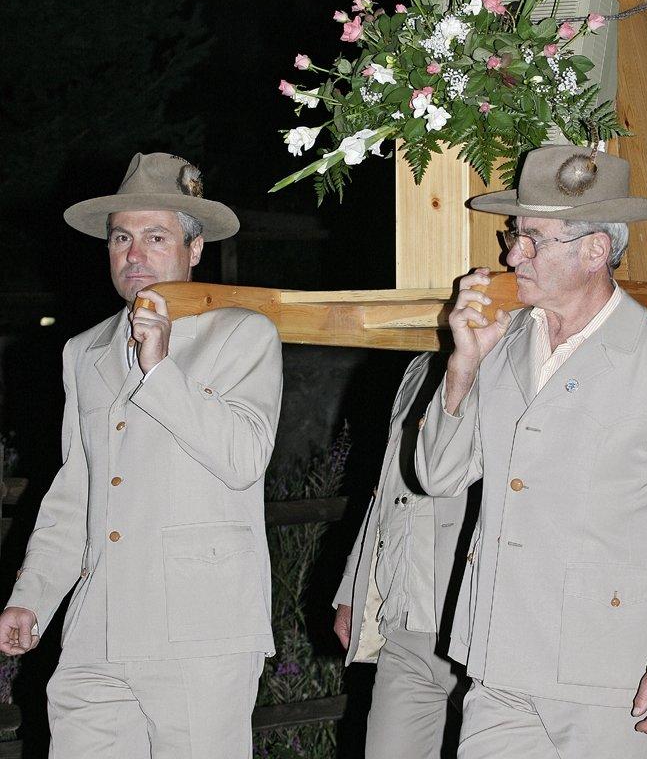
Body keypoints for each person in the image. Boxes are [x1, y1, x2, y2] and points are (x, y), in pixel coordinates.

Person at [416, 145, 647, 759]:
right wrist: (463, 362)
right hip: (498, 663)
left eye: (533, 239)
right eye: (514, 234)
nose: (511, 255)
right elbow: (438, 476)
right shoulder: (500, 348)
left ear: (593, 252)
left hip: (612, 676)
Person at [0, 152, 283, 758]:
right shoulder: (85, 351)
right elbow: (76, 490)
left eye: (156, 237)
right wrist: (33, 593)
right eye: (121, 238)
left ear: (194, 249)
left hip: (200, 634)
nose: (135, 254)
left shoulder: (243, 332)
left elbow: (243, 459)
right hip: (97, 630)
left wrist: (160, 370)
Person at [332, 352, 473, 759]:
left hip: (467, 628)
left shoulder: (515, 353)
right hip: (403, 624)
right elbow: (386, 487)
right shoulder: (418, 365)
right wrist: (352, 590)